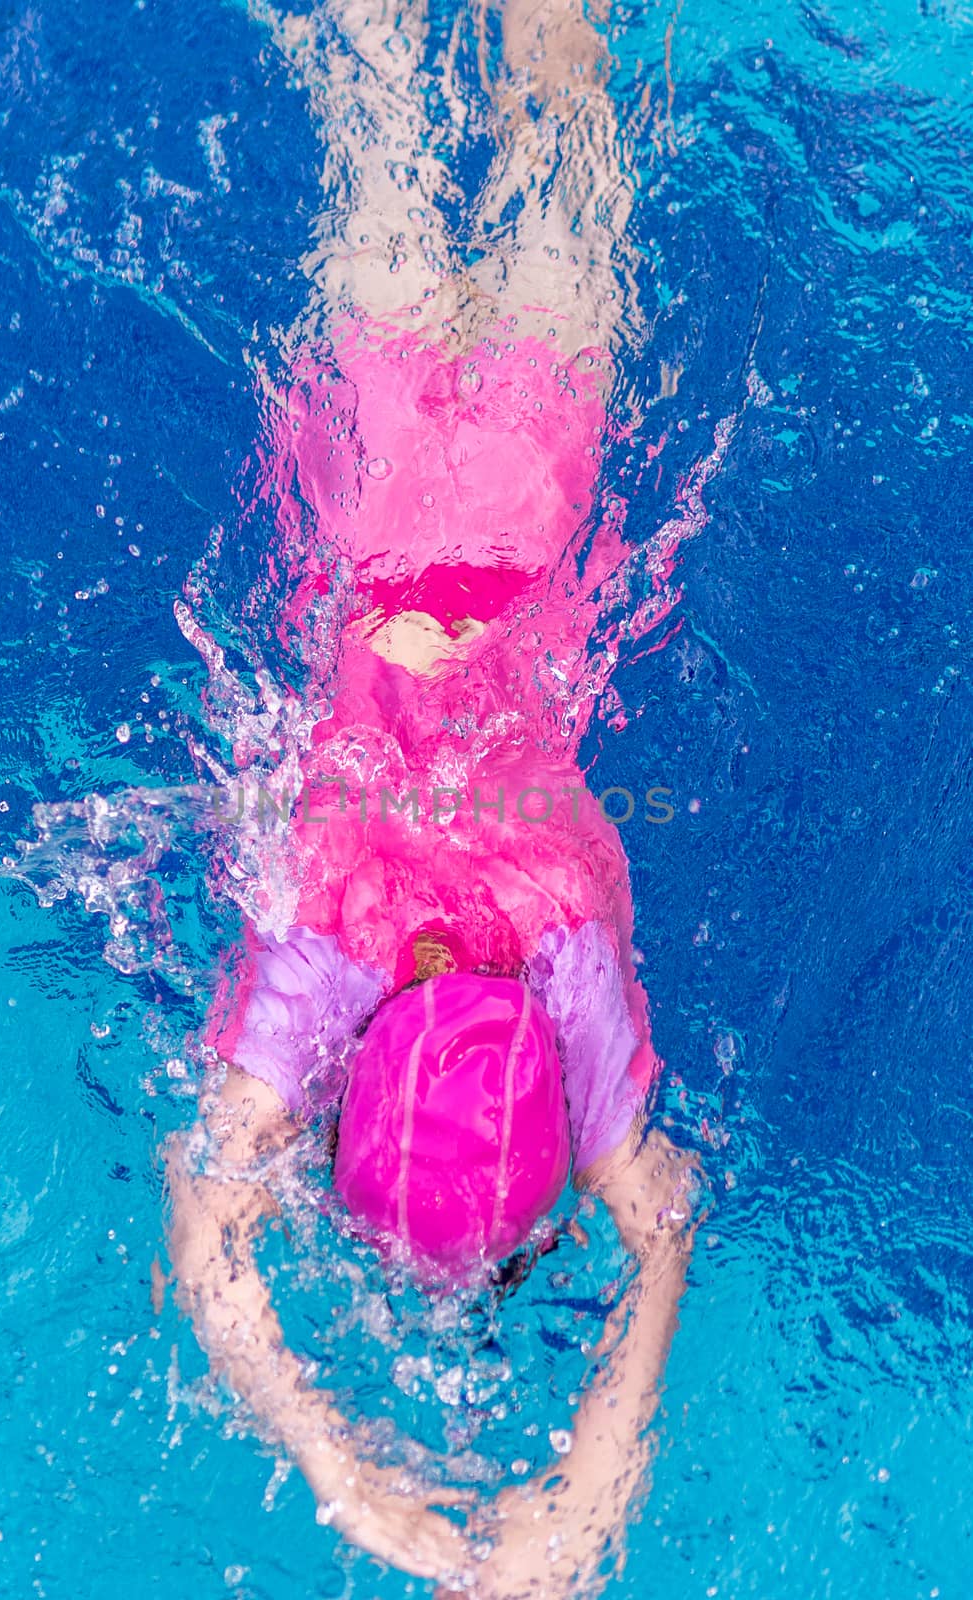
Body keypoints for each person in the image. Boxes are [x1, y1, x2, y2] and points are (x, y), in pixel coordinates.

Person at [163, 2, 702, 1593]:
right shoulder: (323, 936)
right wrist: (339, 1469)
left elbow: (661, 1226)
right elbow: (206, 1220)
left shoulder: (565, 971)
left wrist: (575, 1512)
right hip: (378, 477)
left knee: (560, 118)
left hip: (534, 484)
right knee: (380, 98)